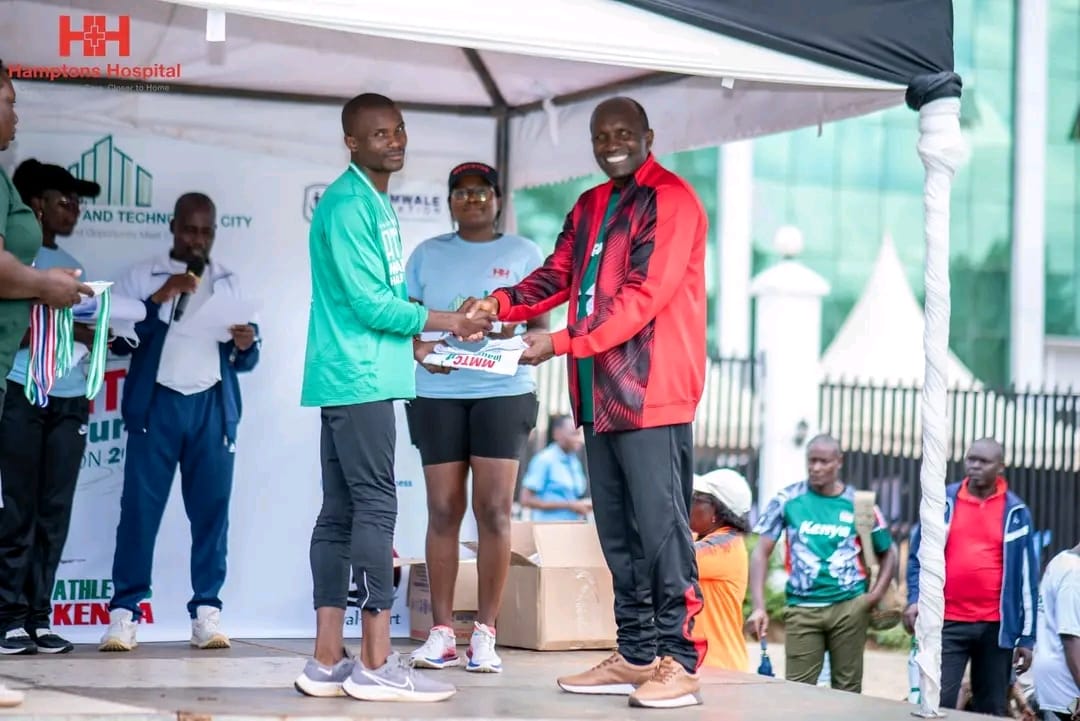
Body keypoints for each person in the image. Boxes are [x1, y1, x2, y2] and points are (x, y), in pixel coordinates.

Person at [461, 96, 709, 708]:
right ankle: (636, 652)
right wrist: (501, 304)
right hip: (598, 394)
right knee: (618, 533)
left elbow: (640, 298)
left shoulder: (671, 201)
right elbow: (559, 273)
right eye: (601, 135)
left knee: (661, 529)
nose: (611, 143)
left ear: (648, 136)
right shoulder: (592, 204)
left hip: (653, 393)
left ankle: (678, 662)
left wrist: (561, 341)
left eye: (624, 132)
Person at [293, 92, 491, 703]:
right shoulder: (350, 203)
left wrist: (416, 348)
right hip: (358, 379)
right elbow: (370, 305)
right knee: (375, 508)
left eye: (400, 129)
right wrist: (448, 324)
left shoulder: (372, 200)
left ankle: (328, 659)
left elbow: (370, 305)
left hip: (361, 371)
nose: (395, 140)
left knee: (340, 512)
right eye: (379, 134)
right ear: (352, 141)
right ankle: (376, 661)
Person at [99, 192, 261, 653]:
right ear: (173, 227)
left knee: (212, 514)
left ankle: (206, 615)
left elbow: (246, 360)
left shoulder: (228, 281)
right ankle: (124, 615)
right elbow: (120, 341)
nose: (197, 239)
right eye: (190, 229)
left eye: (206, 231)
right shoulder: (142, 274)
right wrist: (160, 296)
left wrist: (246, 344)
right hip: (158, 406)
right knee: (139, 513)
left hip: (211, 406)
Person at [404, 161, 545, 674]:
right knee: (443, 509)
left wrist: (505, 336)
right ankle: (441, 633)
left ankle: (485, 633)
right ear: (449, 202)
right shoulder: (427, 255)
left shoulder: (525, 253)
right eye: (460, 193)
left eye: (480, 191)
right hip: (438, 391)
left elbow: (540, 326)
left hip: (503, 391)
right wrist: (421, 349)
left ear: (498, 198)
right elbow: (410, 321)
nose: (471, 200)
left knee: (493, 510)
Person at [0, 58, 93, 707]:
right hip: (20, 386)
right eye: (9, 101)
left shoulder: (66, 262)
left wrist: (93, 325)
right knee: (19, 508)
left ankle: (37, 615)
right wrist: (45, 297)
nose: (15, 113)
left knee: (52, 511)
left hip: (66, 396)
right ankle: (8, 615)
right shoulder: (32, 257)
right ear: (36, 205)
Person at [747, 434, 898, 694]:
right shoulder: (787, 500)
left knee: (847, 691)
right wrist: (759, 607)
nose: (816, 467)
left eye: (824, 461)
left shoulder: (859, 504)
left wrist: (872, 598)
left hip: (850, 606)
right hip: (802, 608)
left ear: (839, 462)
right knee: (798, 690)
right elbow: (760, 552)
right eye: (811, 461)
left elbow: (889, 552)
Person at [905, 438, 1040, 716]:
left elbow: (1028, 578)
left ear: (1000, 467)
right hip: (947, 621)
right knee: (936, 701)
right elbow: (918, 556)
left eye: (984, 461)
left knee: (991, 707)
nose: (975, 466)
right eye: (971, 459)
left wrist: (1026, 639)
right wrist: (915, 598)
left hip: (995, 628)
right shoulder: (943, 502)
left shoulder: (1016, 512)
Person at [688, 469, 752, 671]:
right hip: (708, 666)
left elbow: (669, 561)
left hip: (719, 667)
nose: (688, 503)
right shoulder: (708, 540)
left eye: (696, 498)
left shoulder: (723, 546)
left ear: (716, 511)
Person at [1031, 540, 1080, 721]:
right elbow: (1070, 639)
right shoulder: (1075, 575)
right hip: (1067, 689)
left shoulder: (1060, 560)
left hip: (1053, 682)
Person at [518, 414, 592, 522]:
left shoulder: (574, 461)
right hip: (548, 529)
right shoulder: (544, 460)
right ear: (557, 434)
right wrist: (570, 505)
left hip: (571, 528)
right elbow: (526, 500)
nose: (578, 439)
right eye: (574, 434)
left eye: (579, 434)